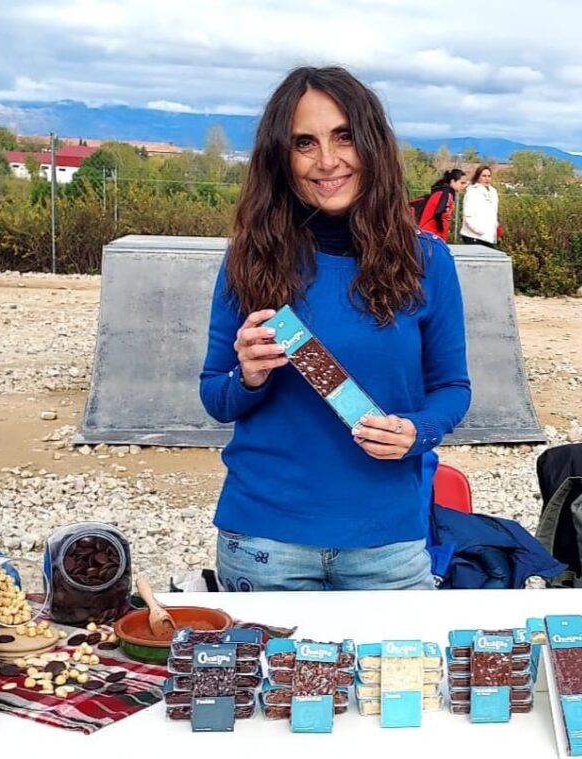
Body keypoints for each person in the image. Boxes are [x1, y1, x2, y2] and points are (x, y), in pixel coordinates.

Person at [199, 66, 471, 592]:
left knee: (399, 679)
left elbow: (453, 389)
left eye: (343, 136)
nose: (327, 161)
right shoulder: (250, 258)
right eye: (305, 143)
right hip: (263, 544)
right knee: (267, 680)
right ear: (281, 158)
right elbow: (215, 393)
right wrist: (247, 378)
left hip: (388, 544)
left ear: (372, 143)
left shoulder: (429, 260)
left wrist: (419, 431)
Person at [416, 169, 467, 242]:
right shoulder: (446, 193)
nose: (464, 186)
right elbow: (438, 211)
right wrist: (441, 228)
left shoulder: (441, 191)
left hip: (426, 233)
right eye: (462, 183)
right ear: (452, 181)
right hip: (432, 235)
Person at [461, 165, 499, 246]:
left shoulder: (493, 192)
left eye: (489, 176)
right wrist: (478, 230)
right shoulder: (473, 192)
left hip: (488, 236)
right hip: (473, 236)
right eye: (484, 176)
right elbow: (468, 214)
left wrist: (495, 226)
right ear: (478, 177)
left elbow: (493, 213)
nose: (487, 178)